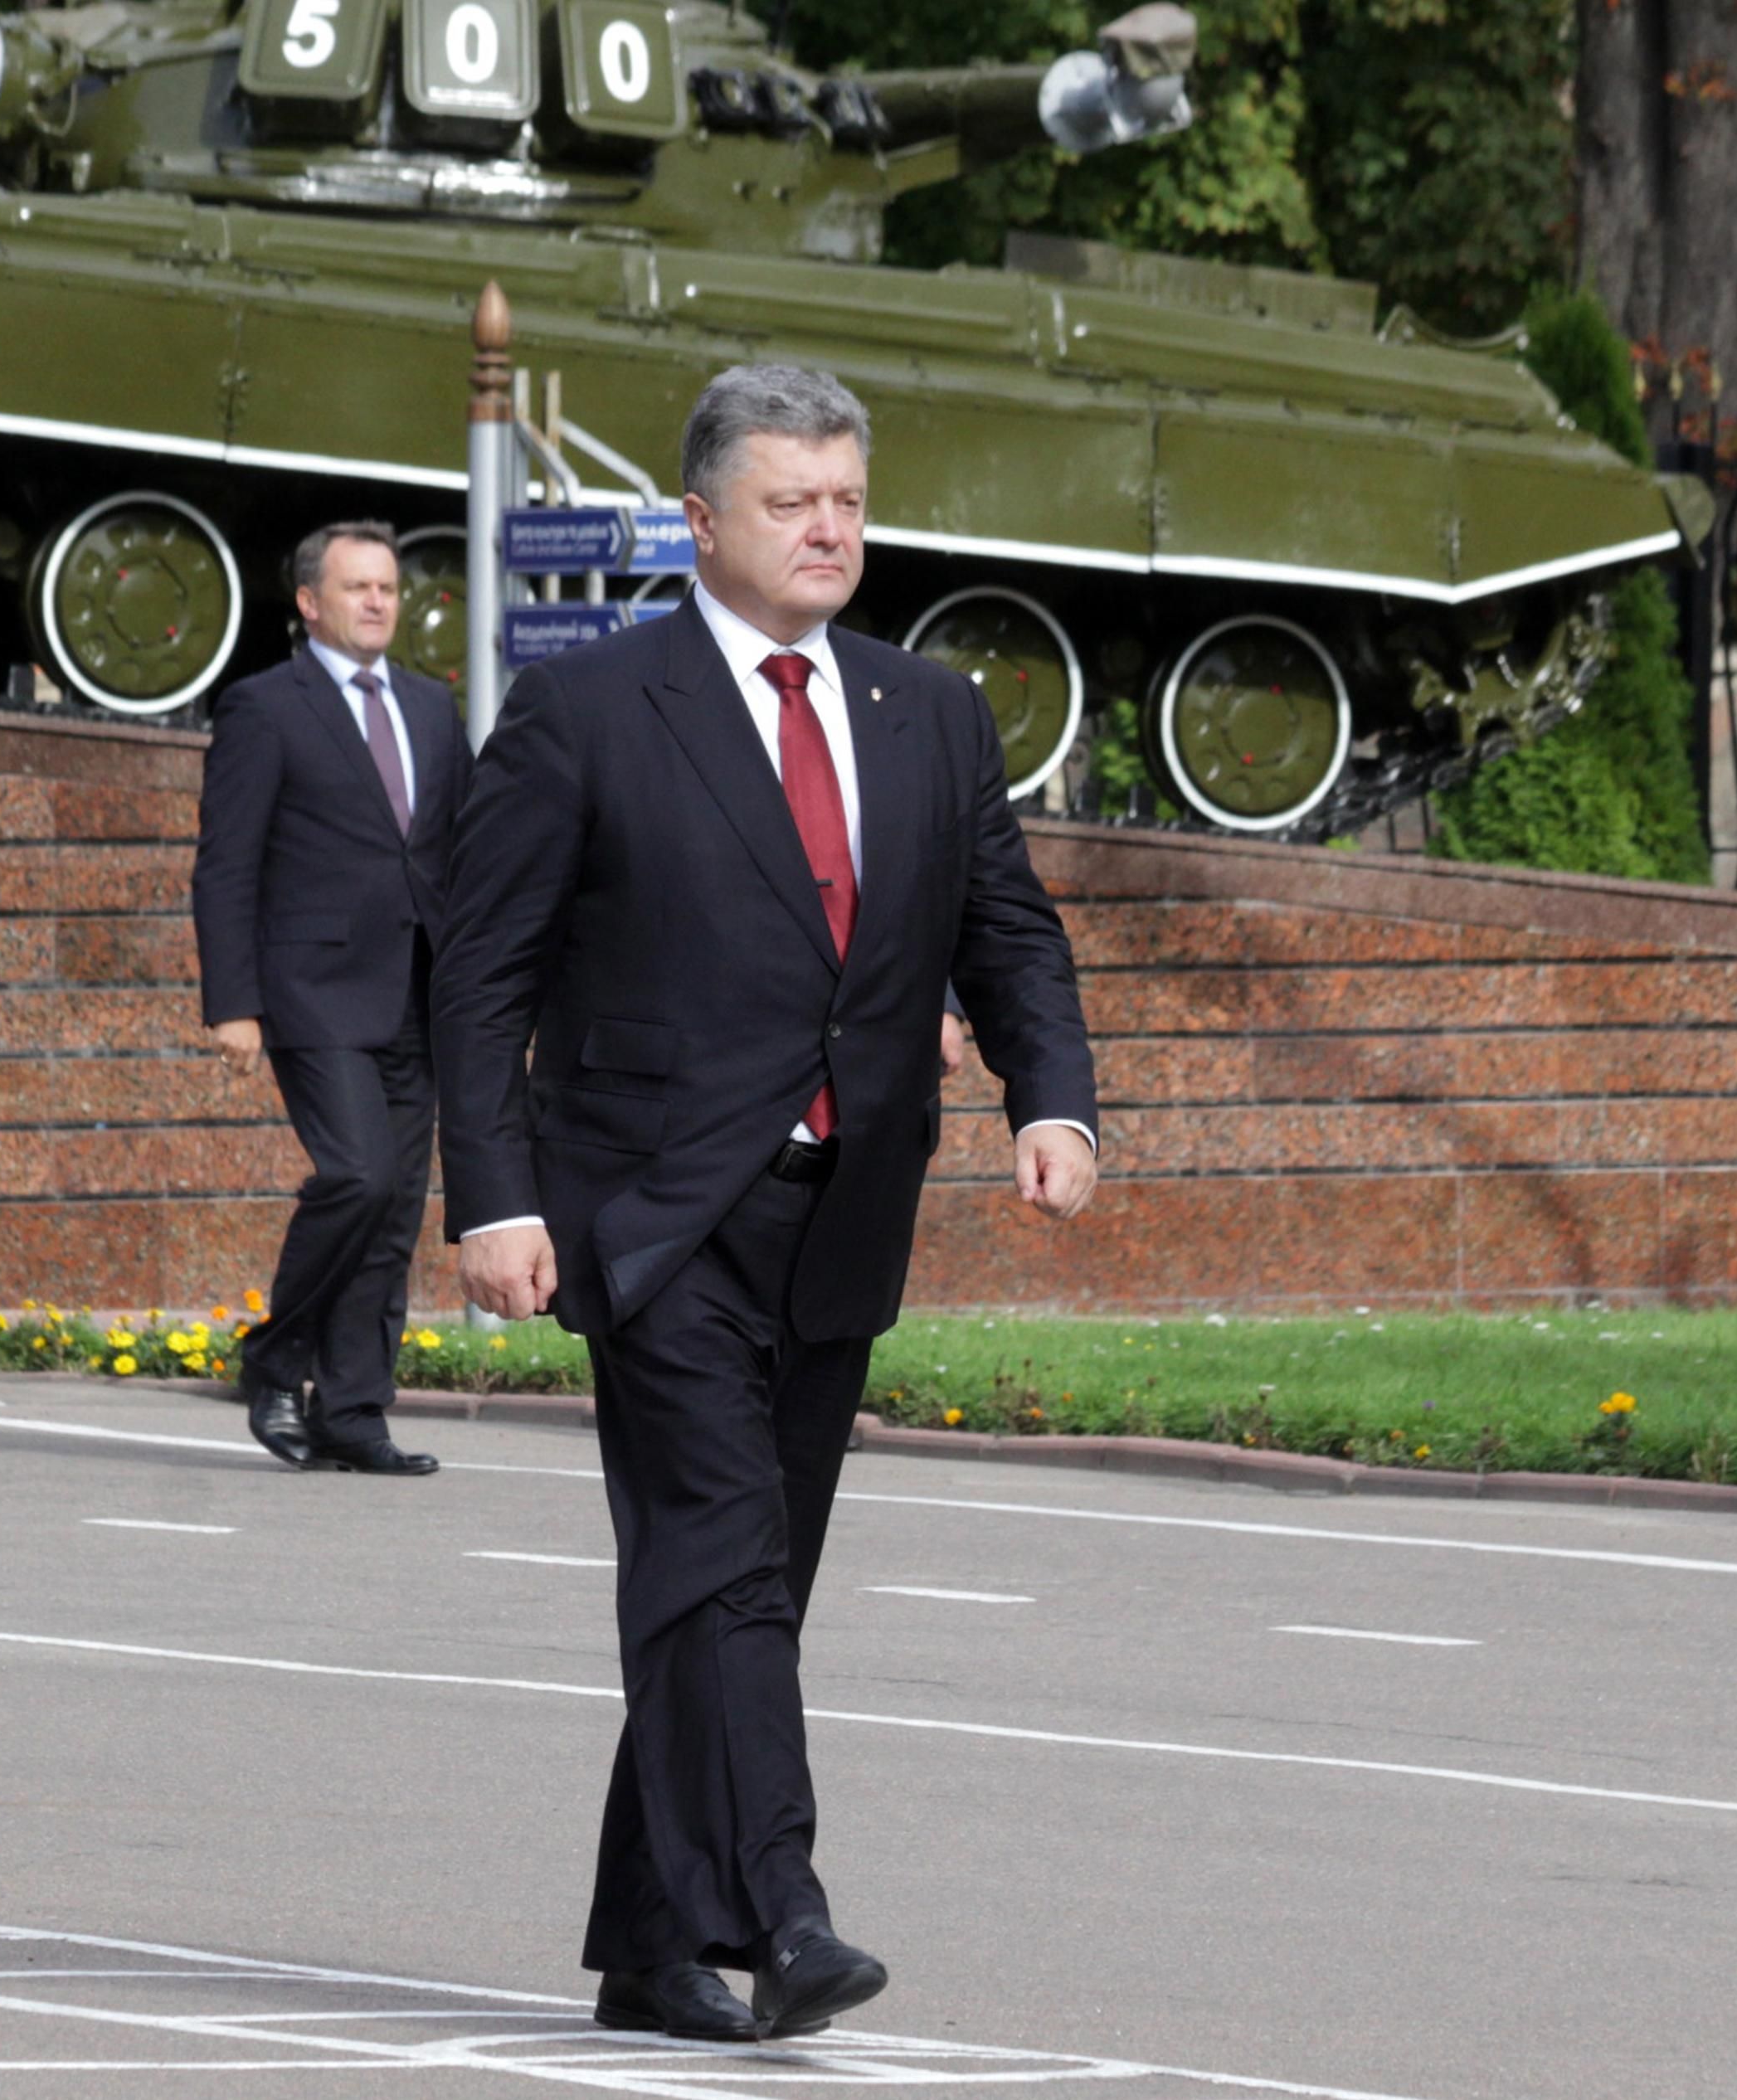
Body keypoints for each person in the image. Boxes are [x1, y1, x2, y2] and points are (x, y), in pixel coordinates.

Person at [435, 366, 1102, 2044]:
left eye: (850, 501)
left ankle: (647, 1947)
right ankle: (778, 1918)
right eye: (793, 500)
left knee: (735, 1583)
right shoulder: (591, 710)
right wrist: (495, 1198)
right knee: (721, 1563)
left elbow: (1003, 930)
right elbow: (478, 974)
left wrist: (1057, 1098)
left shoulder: (926, 712)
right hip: (653, 1216)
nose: (829, 529)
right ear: (700, 520)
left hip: (842, 1210)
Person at [190, 522, 464, 1475]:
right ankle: (273, 1361)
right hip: (312, 993)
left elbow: (454, 857)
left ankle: (353, 1411)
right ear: (310, 603)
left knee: (393, 1216)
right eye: (358, 587)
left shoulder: (433, 710)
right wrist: (233, 1002)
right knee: (358, 1179)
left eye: (388, 587)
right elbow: (225, 865)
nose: (380, 602)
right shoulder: (266, 707)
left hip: (417, 995)